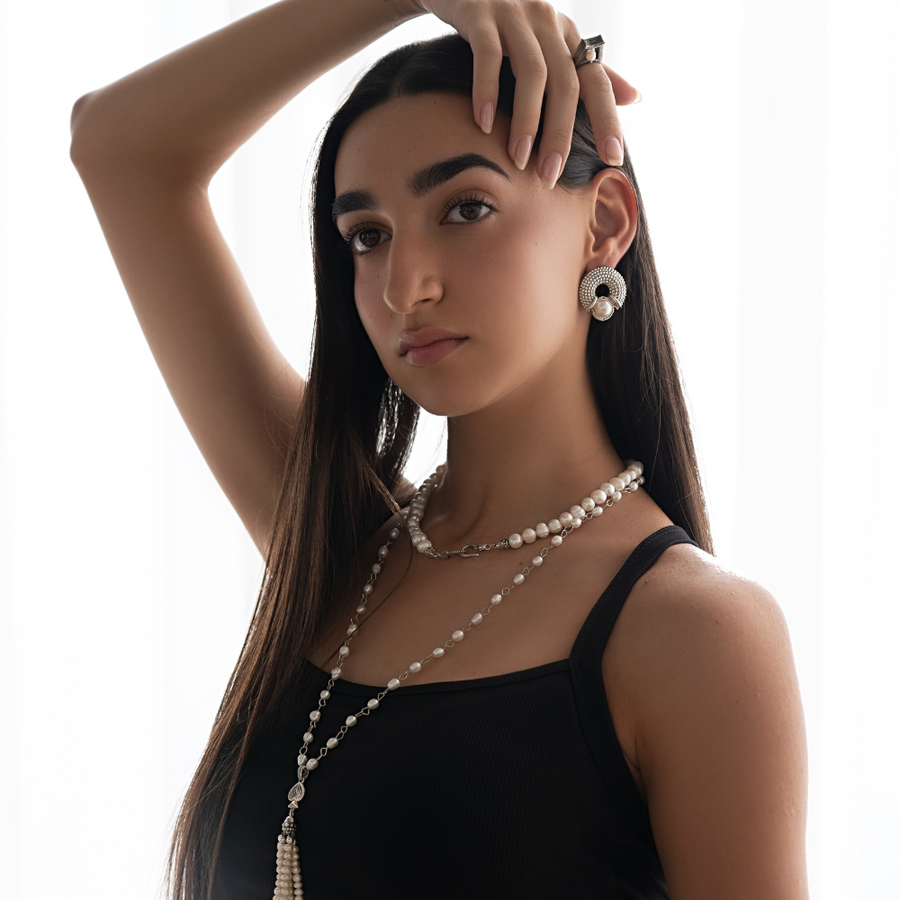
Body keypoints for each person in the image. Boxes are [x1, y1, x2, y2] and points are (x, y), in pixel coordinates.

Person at [69, 0, 810, 898]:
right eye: (367, 236)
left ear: (605, 221)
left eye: (465, 207)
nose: (404, 286)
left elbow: (120, 153)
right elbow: (115, 148)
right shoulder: (335, 549)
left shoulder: (693, 634)